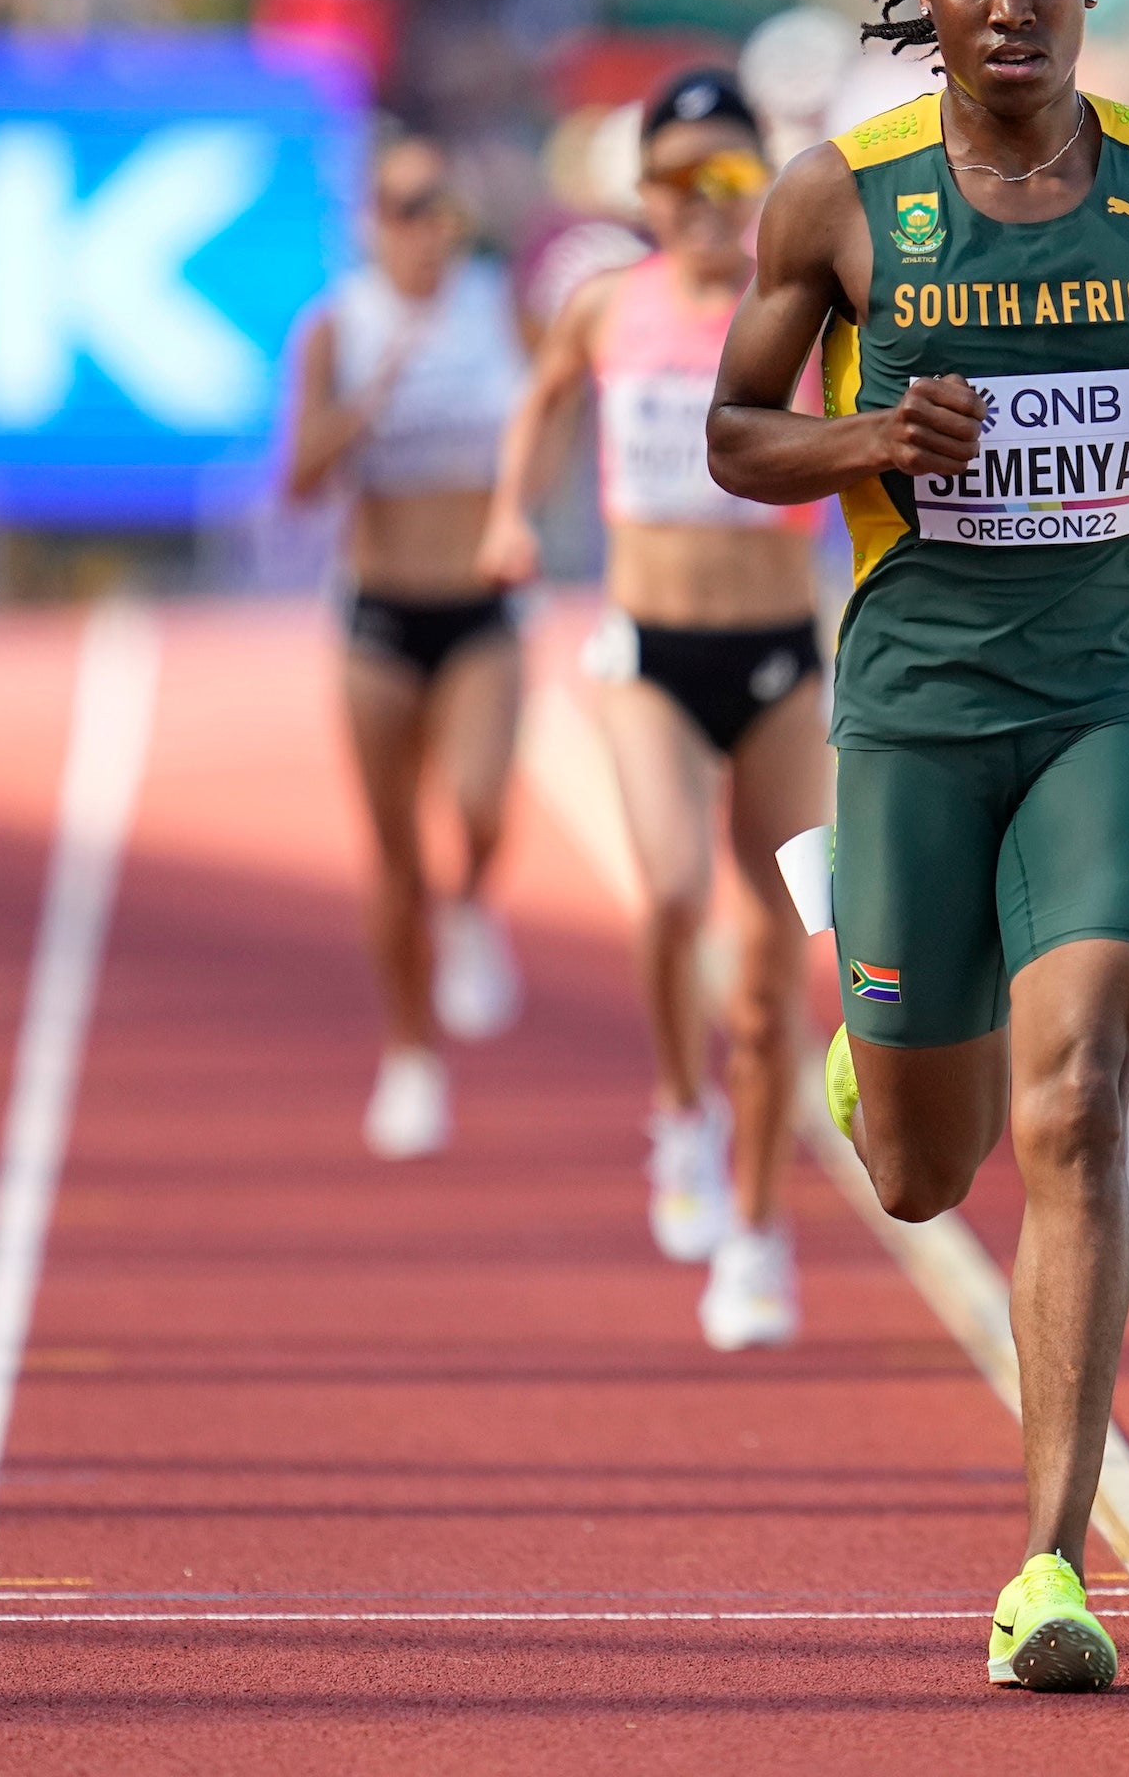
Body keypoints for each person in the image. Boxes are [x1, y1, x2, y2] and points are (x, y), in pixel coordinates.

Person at [707, 0, 1129, 1690]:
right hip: (917, 704)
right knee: (921, 1169)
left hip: (1117, 692)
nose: (1004, 8)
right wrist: (871, 436)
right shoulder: (841, 200)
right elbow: (736, 433)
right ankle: (879, 1043)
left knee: (1075, 1104)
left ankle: (1051, 1569)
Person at [478, 71, 828, 1353]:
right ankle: (681, 1108)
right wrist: (514, 510)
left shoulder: (806, 315)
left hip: (784, 662)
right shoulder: (600, 309)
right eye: (680, 181)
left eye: (730, 178)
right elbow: (541, 404)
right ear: (646, 195)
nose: (703, 202)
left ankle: (755, 1234)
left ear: (763, 185)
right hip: (650, 657)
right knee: (676, 891)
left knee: (785, 957)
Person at [282, 132, 529, 1160]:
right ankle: (411, 1054)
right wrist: (362, 405)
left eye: (441, 207)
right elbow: (296, 479)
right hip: (380, 614)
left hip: (477, 603)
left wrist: (529, 500)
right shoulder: (339, 327)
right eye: (406, 206)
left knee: (476, 801)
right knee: (389, 859)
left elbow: (554, 405)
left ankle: (471, 903)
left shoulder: (496, 305)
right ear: (371, 220)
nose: (428, 227)